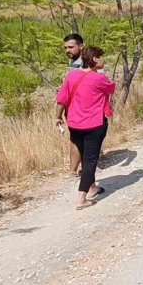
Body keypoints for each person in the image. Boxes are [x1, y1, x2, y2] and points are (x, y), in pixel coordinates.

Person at [55, 46, 114, 210]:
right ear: (95, 59)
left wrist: (58, 117)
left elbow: (61, 100)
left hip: (74, 124)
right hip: (94, 125)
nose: (104, 60)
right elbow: (111, 89)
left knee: (84, 155)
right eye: (101, 57)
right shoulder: (99, 79)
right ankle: (82, 198)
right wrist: (101, 75)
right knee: (90, 160)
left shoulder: (72, 76)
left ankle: (92, 187)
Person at [63, 33, 85, 177]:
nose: (67, 50)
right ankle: (76, 169)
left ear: (81, 46)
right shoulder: (74, 63)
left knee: (79, 137)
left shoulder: (87, 63)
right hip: (73, 107)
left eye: (71, 47)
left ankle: (78, 170)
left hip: (82, 108)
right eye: (66, 48)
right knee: (76, 137)